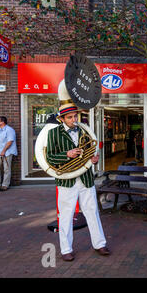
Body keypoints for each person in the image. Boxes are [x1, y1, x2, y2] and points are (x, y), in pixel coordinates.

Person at [46, 84, 110, 262]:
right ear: (62, 118)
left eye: (75, 116)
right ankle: (66, 249)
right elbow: (50, 158)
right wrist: (66, 154)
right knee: (66, 215)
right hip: (67, 181)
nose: (74, 119)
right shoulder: (54, 134)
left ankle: (100, 244)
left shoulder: (84, 130)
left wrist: (93, 160)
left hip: (86, 179)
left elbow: (90, 150)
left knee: (92, 211)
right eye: (70, 117)